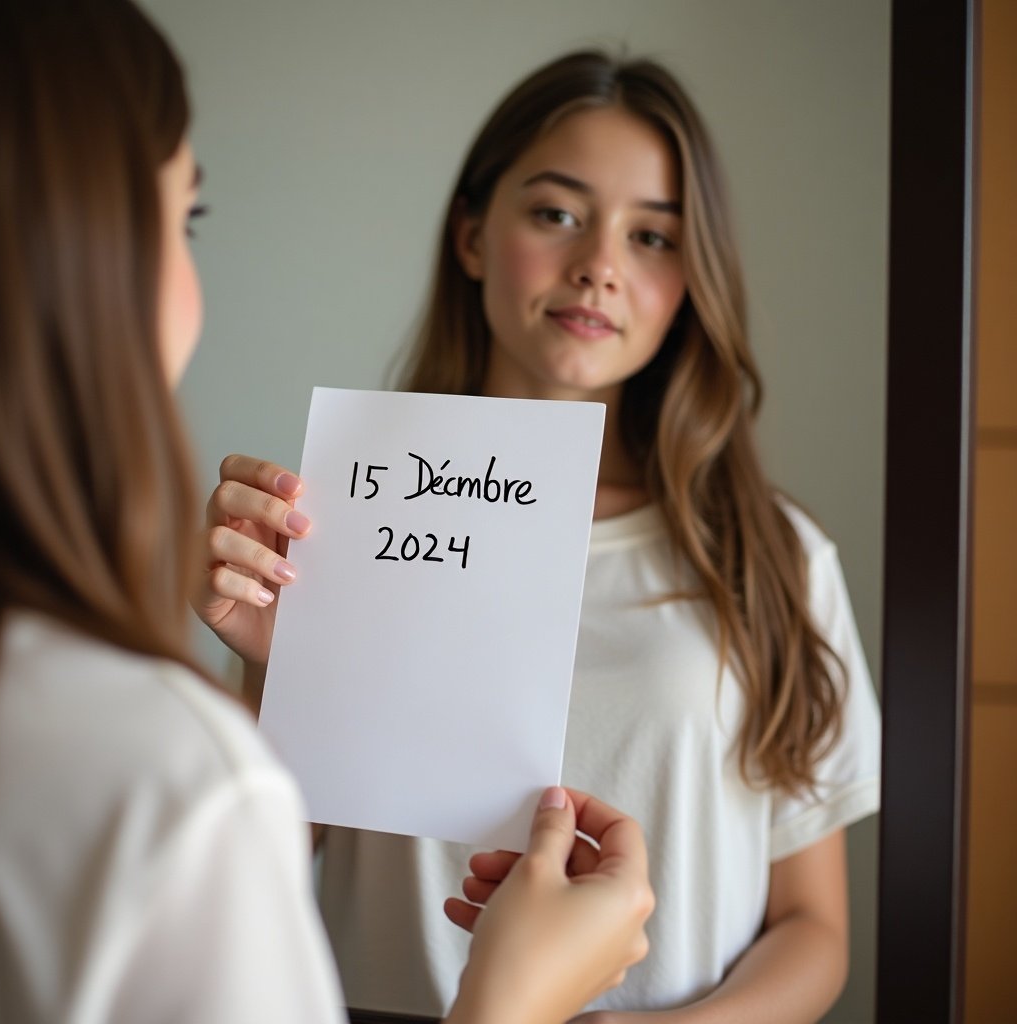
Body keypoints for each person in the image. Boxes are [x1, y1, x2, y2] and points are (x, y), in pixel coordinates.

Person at [0, 6, 655, 1022]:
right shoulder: (168, 772)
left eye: (652, 233)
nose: (600, 264)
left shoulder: (151, 756)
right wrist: (512, 1003)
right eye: (183, 221)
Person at [196, 50, 882, 1022]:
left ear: (693, 280)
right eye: (557, 213)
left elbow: (813, 928)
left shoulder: (774, 558)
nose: (599, 264)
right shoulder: (343, 519)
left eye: (652, 236)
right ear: (472, 236)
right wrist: (273, 664)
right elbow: (260, 873)